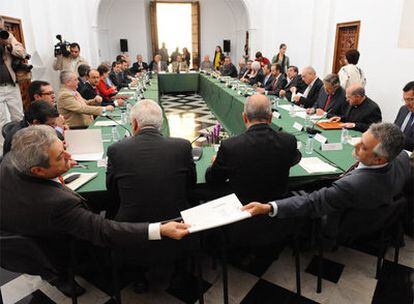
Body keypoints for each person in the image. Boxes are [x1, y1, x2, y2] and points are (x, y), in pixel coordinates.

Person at [0, 125, 190, 295]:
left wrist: (58, 166)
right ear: (38, 171)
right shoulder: (58, 203)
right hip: (51, 249)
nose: (69, 156)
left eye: (64, 148)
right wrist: (160, 229)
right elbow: (103, 231)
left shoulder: (9, 160)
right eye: (61, 156)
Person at [242, 123, 410, 230]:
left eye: (363, 147)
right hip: (377, 214)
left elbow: (312, 202)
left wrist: (269, 207)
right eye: (360, 139)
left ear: (379, 159)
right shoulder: (402, 156)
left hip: (341, 226)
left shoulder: (352, 185)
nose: (356, 144)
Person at [106, 100, 196, 276]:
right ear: (161, 124)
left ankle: (137, 275)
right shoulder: (182, 146)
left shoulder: (116, 149)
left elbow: (111, 190)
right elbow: (190, 184)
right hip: (178, 223)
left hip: (132, 230)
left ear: (134, 124)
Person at [205, 94, 301, 247]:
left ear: (244, 117)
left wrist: (216, 162)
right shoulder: (289, 141)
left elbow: (213, 179)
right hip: (277, 215)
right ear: (270, 118)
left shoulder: (230, 146)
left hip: (241, 217)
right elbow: (295, 159)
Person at [0, 16, 25, 154]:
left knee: (18, 117)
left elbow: (22, 52)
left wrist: (8, 45)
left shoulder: (8, 37)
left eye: (1, 27)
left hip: (11, 85)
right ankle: (4, 153)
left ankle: (21, 147)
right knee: (0, 121)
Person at [394, 81, 414, 151]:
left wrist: (397, 137)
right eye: (405, 100)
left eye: (410, 99)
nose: (407, 104)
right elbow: (395, 128)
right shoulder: (403, 109)